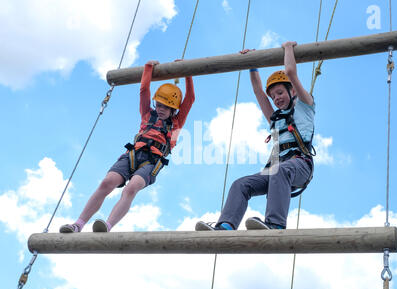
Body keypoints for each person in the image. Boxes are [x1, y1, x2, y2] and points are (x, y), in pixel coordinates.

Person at [60, 60, 195, 233]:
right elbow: (144, 91)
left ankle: (107, 226)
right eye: (159, 105)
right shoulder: (147, 115)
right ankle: (78, 224)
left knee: (132, 188)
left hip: (152, 162)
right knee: (106, 183)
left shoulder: (176, 123)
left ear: (173, 109)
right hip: (132, 155)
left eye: (166, 107)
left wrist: (187, 73)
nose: (160, 109)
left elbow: (190, 98)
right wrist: (148, 68)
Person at [196, 41, 315, 231]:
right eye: (273, 96)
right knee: (241, 184)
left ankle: (275, 224)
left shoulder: (305, 107)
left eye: (280, 92)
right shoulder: (275, 119)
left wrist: (289, 49)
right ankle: (226, 225)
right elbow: (258, 91)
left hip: (300, 165)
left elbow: (291, 73)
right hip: (277, 170)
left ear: (292, 91)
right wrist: (252, 63)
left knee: (280, 171)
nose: (276, 98)